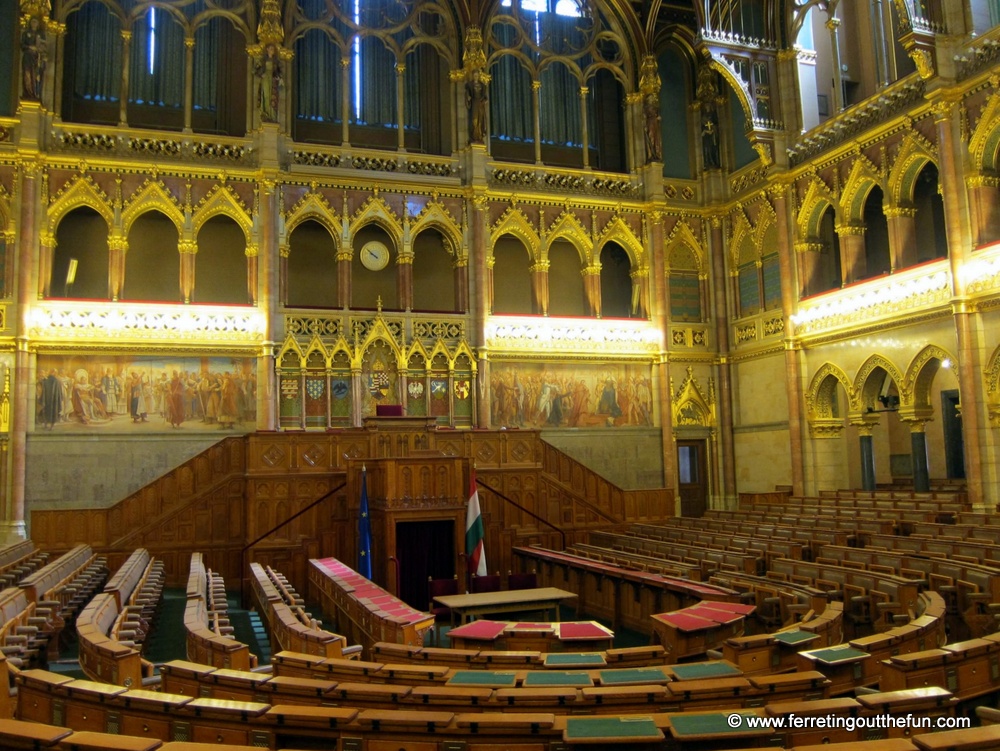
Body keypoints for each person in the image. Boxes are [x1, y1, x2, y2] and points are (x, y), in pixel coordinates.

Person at [21, 15, 46, 101]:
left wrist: (39, 49)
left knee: (36, 75)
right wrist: (30, 47)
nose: (34, 23)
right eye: (32, 21)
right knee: (27, 74)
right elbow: (22, 45)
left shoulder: (41, 34)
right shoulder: (26, 33)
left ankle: (35, 93)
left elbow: (44, 47)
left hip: (36, 58)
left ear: (38, 24)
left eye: (35, 22)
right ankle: (28, 92)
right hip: (28, 57)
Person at [256, 44, 281, 123]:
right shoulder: (263, 60)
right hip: (266, 78)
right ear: (267, 49)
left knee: (272, 97)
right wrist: (261, 74)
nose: (272, 50)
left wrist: (278, 77)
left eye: (273, 49)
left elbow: (279, 71)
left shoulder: (275, 61)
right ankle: (265, 114)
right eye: (270, 48)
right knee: (266, 96)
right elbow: (254, 70)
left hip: (273, 80)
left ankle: (272, 116)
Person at [465, 68, 488, 144]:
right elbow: (468, 94)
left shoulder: (482, 85)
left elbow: (485, 96)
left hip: (480, 103)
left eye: (477, 75)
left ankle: (479, 136)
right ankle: (474, 136)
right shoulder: (470, 85)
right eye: (474, 75)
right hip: (474, 102)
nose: (476, 77)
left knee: (480, 120)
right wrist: (468, 98)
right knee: (474, 119)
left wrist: (484, 100)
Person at [643, 94, 662, 162]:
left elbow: (659, 116)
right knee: (651, 137)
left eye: (652, 98)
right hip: (650, 122)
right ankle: (651, 154)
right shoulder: (646, 107)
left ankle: (656, 154)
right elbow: (644, 117)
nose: (651, 99)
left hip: (655, 123)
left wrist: (658, 118)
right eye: (650, 98)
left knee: (656, 138)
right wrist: (645, 125)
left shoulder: (656, 108)